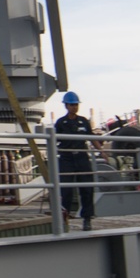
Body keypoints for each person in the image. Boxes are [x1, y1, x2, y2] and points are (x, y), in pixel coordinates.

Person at [54, 90, 104, 231]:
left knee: (87, 189)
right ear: (66, 106)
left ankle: (87, 219)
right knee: (66, 191)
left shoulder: (83, 121)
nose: (74, 107)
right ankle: (65, 218)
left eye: (76, 104)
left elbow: (91, 138)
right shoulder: (60, 123)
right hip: (67, 158)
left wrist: (102, 151)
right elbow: (53, 140)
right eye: (71, 105)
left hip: (82, 157)